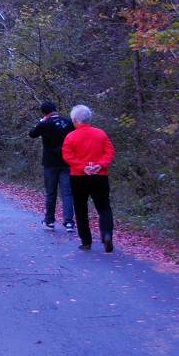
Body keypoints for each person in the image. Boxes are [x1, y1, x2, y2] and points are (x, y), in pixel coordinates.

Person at [62, 104, 115, 252]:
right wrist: (99, 165)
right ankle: (107, 235)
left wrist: (82, 167)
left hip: (79, 177)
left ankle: (86, 241)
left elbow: (67, 155)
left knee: (80, 209)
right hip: (100, 176)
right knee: (104, 207)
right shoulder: (101, 134)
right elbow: (109, 152)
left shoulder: (70, 136)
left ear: (76, 120)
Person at [29, 101, 76, 231]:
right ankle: (69, 222)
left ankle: (49, 220)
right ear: (55, 109)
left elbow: (32, 133)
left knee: (51, 192)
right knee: (67, 193)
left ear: (44, 112)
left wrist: (41, 121)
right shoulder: (68, 122)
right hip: (67, 161)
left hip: (50, 163)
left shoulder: (44, 124)